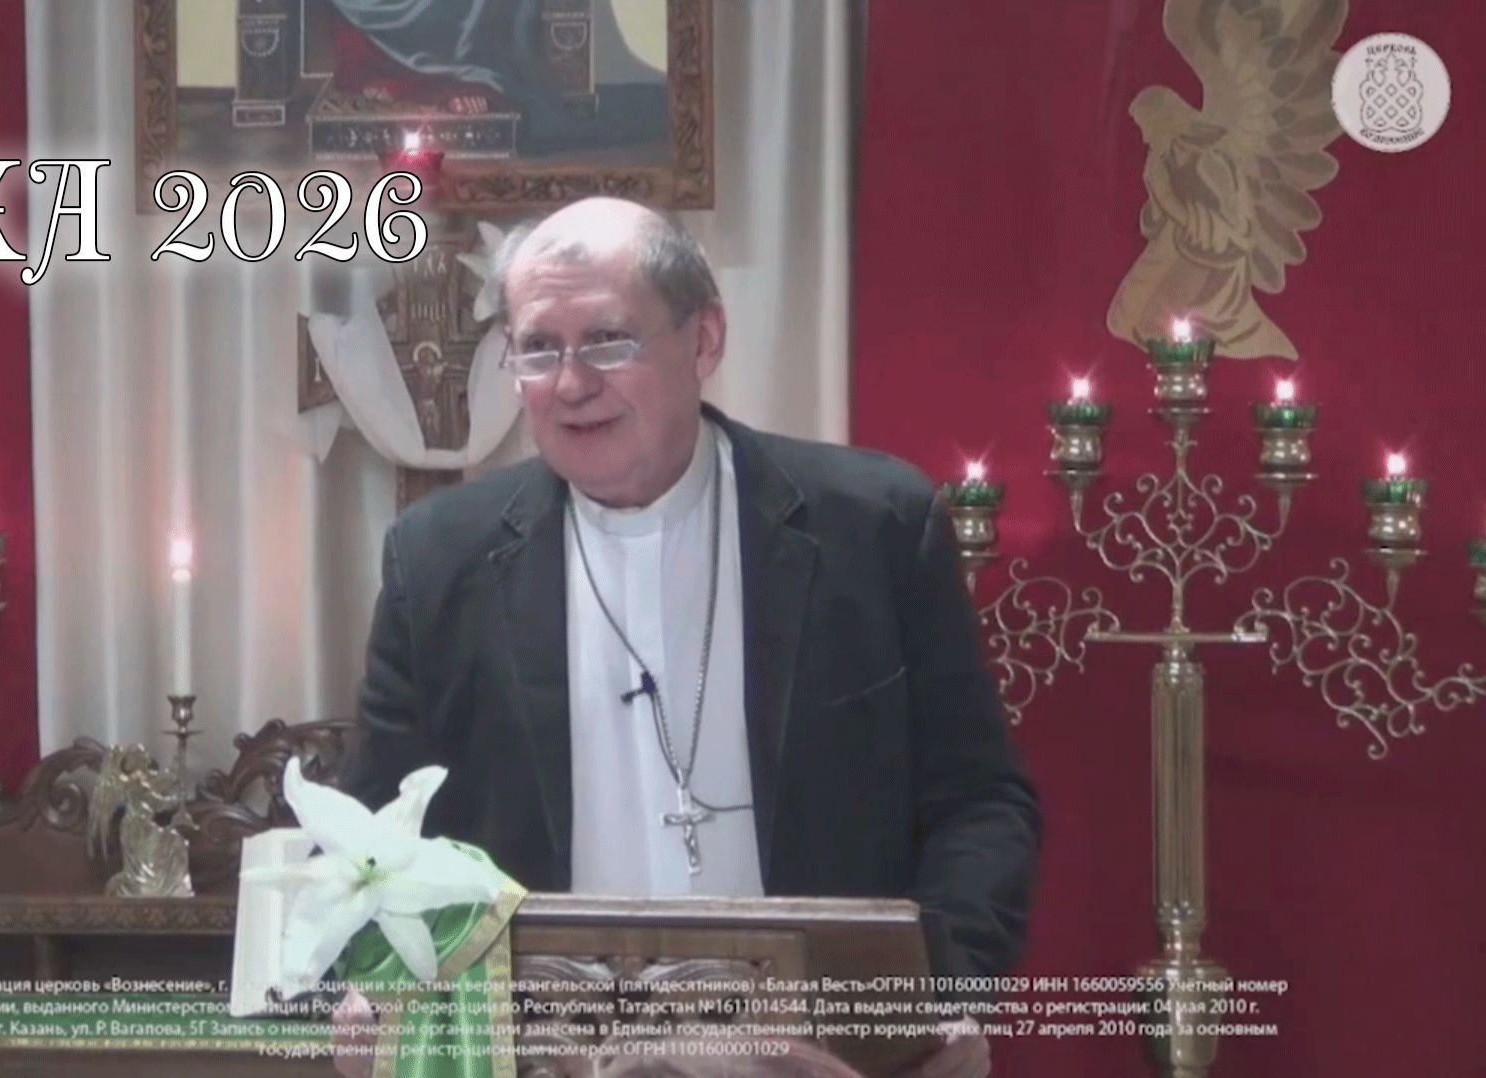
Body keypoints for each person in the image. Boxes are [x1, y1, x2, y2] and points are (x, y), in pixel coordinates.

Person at [338, 197, 1038, 1078]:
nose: (570, 383)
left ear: (704, 339)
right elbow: (378, 835)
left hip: (814, 1057)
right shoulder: (439, 558)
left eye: (607, 340)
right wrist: (371, 985)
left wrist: (943, 996)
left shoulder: (874, 527)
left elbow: (978, 803)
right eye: (539, 348)